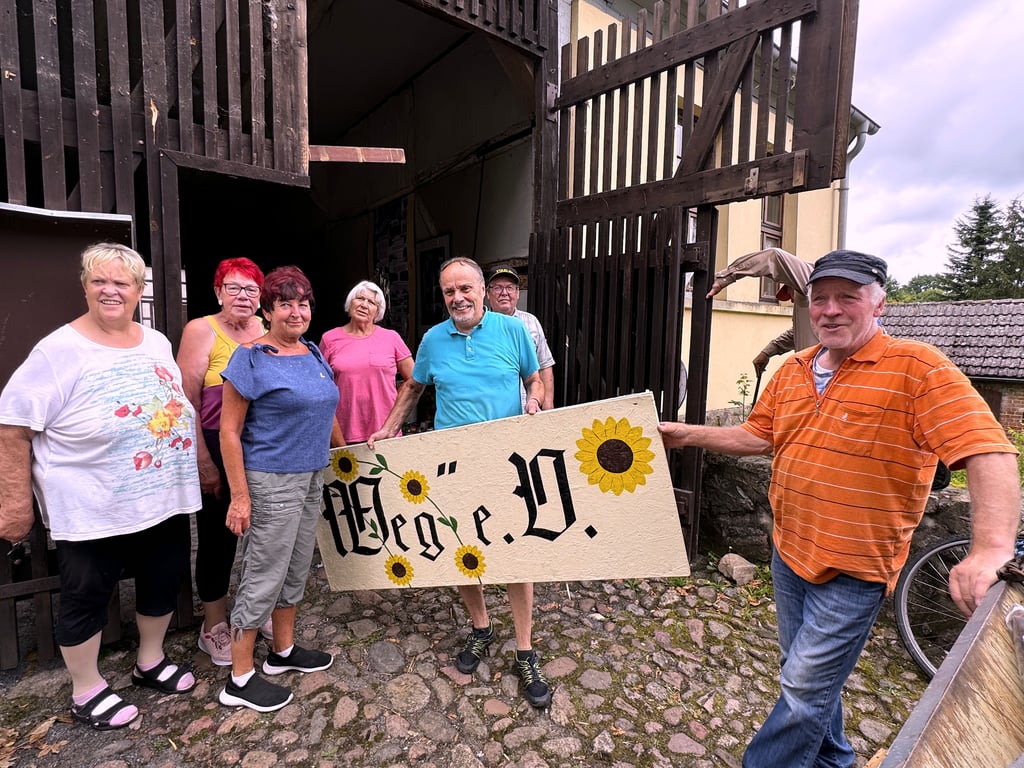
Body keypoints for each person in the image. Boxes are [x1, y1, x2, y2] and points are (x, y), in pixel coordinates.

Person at [659, 249, 1020, 768]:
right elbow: (757, 436)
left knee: (803, 688)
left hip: (855, 568)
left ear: (879, 304)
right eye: (820, 298)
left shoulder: (918, 368)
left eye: (847, 297)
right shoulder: (794, 369)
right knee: (803, 672)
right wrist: (684, 435)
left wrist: (989, 549)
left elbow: (988, 449)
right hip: (789, 553)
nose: (830, 310)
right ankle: (834, 761)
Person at [0, 242, 201, 730]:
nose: (111, 291)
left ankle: (149, 661)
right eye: (99, 281)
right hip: (93, 505)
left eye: (122, 282)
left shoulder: (155, 341)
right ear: (85, 286)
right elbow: (12, 426)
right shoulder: (58, 350)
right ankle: (86, 689)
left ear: (138, 290)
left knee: (164, 578)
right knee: (86, 594)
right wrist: (15, 503)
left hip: (163, 498)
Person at [366, 256, 552, 708]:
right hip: (451, 464)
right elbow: (413, 387)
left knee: (516, 554)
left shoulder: (513, 330)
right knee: (462, 549)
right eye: (449, 291)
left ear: (482, 290)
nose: (458, 298)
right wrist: (389, 428)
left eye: (465, 288)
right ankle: (481, 627)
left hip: (505, 461)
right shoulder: (433, 338)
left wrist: (534, 401)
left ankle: (525, 649)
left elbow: (534, 379)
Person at [217, 265, 346, 713]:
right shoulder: (250, 358)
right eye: (285, 304)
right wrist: (240, 496)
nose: (296, 312)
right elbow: (229, 432)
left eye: (303, 303)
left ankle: (282, 651)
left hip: (312, 475)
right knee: (264, 572)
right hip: (271, 480)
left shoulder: (312, 351)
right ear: (267, 311)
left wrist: (345, 452)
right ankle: (239, 677)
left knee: (296, 567)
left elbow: (326, 410)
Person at [176, 257, 272, 666]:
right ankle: (213, 625)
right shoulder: (201, 330)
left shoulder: (268, 328)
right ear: (218, 292)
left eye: (251, 289)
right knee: (218, 538)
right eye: (233, 287)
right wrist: (203, 460)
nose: (243, 296)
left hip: (264, 446)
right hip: (217, 444)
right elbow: (186, 402)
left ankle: (257, 611)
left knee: (265, 534)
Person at [318, 280, 414, 443]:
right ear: (350, 302)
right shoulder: (329, 339)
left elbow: (413, 380)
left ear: (378, 311)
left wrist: (395, 416)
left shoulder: (391, 338)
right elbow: (320, 387)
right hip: (344, 434)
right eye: (360, 298)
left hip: (386, 433)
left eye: (371, 302)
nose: (364, 305)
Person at [706, 247, 814, 375]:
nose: (791, 300)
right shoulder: (816, 310)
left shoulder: (810, 281)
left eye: (788, 292)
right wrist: (767, 352)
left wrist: (723, 278)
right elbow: (796, 333)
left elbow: (773, 257)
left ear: (792, 283)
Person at [485, 265, 555, 410]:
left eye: (510, 288)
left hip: (529, 411)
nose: (504, 293)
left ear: (517, 293)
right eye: (497, 288)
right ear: (487, 293)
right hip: (493, 412)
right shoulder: (479, 326)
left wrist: (548, 407)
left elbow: (544, 365)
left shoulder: (531, 322)